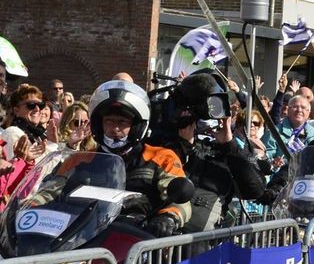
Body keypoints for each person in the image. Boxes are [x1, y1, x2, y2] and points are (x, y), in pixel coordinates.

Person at [154, 72, 266, 232]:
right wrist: (184, 144)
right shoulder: (166, 142)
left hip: (200, 243)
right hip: (160, 230)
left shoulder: (230, 150)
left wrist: (228, 144)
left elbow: (255, 189)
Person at [88, 79, 192, 236]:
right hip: (83, 237)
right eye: (108, 121)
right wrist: (37, 206)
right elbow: (52, 190)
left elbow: (180, 202)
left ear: (137, 127)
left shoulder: (162, 157)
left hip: (137, 239)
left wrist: (168, 218)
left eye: (122, 122)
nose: (115, 128)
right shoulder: (82, 160)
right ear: (98, 124)